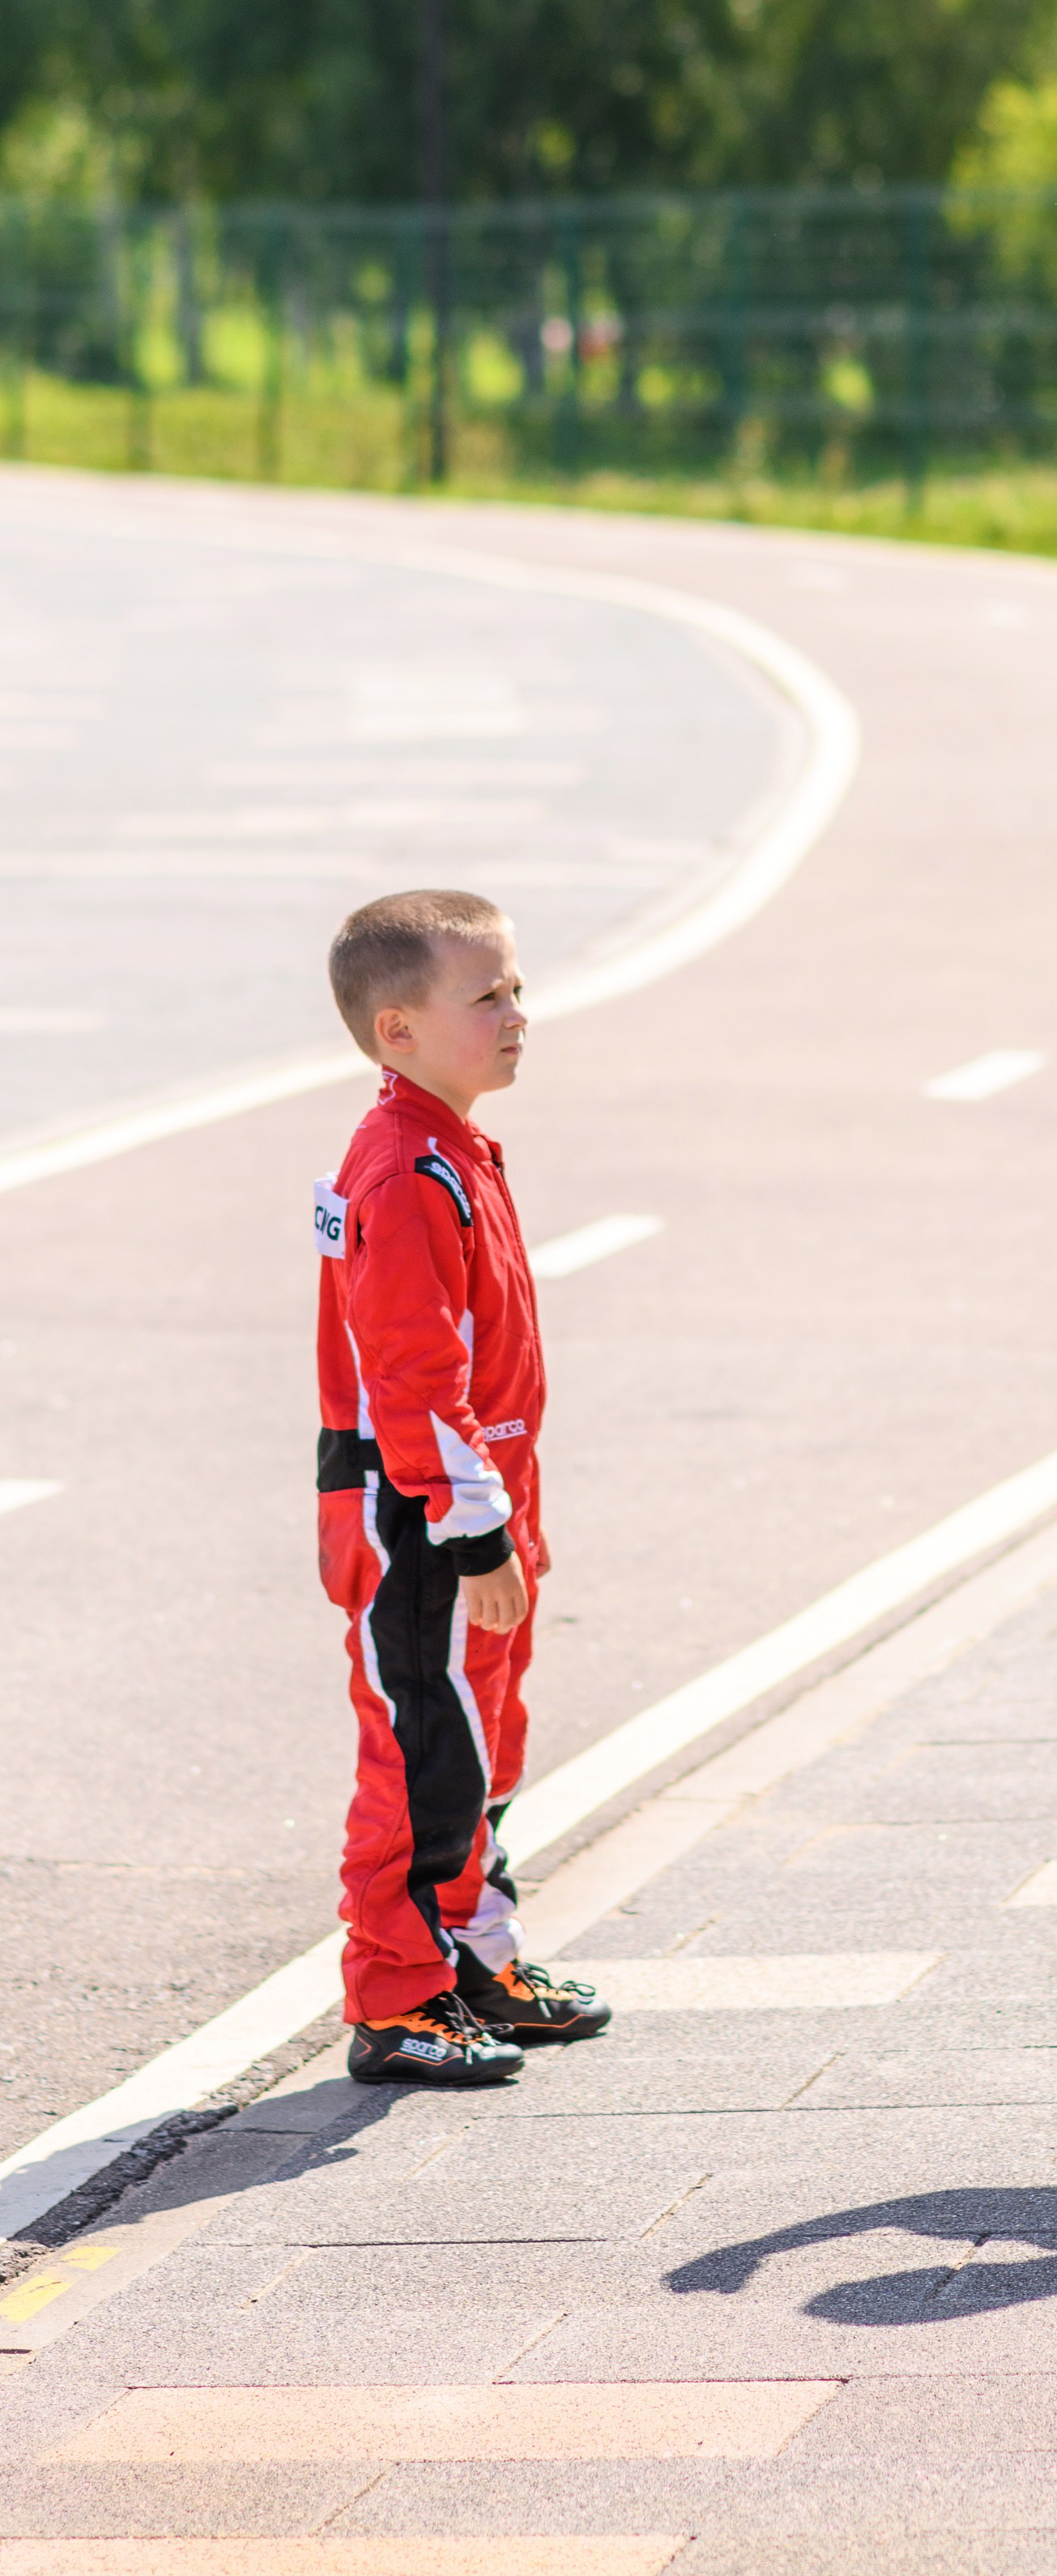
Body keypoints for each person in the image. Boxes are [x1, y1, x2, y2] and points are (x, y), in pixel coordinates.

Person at [317, 887, 611, 2086]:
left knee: (486, 1743)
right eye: (484, 994)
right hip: (422, 1513)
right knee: (421, 1751)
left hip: (478, 1494)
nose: (515, 1013)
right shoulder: (400, 1170)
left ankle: (475, 1954)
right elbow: (408, 1376)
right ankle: (395, 1997)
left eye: (516, 988)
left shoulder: (449, 1147)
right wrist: (473, 1532)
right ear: (398, 1028)